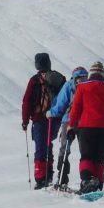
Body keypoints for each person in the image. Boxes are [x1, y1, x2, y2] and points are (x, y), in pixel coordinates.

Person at [67, 61, 104, 194]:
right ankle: (98, 185)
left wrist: (71, 126)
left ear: (91, 74)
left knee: (86, 156)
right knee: (99, 158)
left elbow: (75, 110)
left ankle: (87, 181)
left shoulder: (82, 87)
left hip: (86, 127)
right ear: (102, 75)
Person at [22, 53, 66, 189]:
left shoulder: (34, 80)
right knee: (48, 144)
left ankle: (41, 179)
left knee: (41, 147)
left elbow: (27, 101)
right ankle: (49, 174)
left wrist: (25, 121)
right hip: (55, 118)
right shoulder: (60, 78)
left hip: (40, 118)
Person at [47, 66, 89, 189]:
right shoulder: (89, 86)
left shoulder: (69, 85)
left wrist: (51, 113)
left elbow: (60, 104)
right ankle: (87, 179)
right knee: (85, 150)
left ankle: (62, 178)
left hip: (69, 121)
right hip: (85, 121)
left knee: (64, 149)